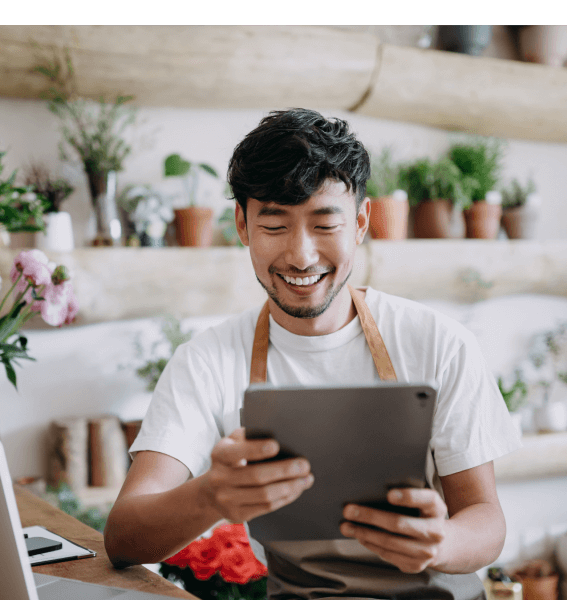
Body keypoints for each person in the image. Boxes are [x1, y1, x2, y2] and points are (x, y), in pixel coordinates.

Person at [103, 108, 522, 600]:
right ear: (241, 224)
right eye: (275, 226)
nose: (301, 256)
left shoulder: (438, 342)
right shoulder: (206, 362)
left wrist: (441, 541)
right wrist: (209, 495)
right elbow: (123, 536)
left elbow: (487, 522)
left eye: (325, 224)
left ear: (361, 221)